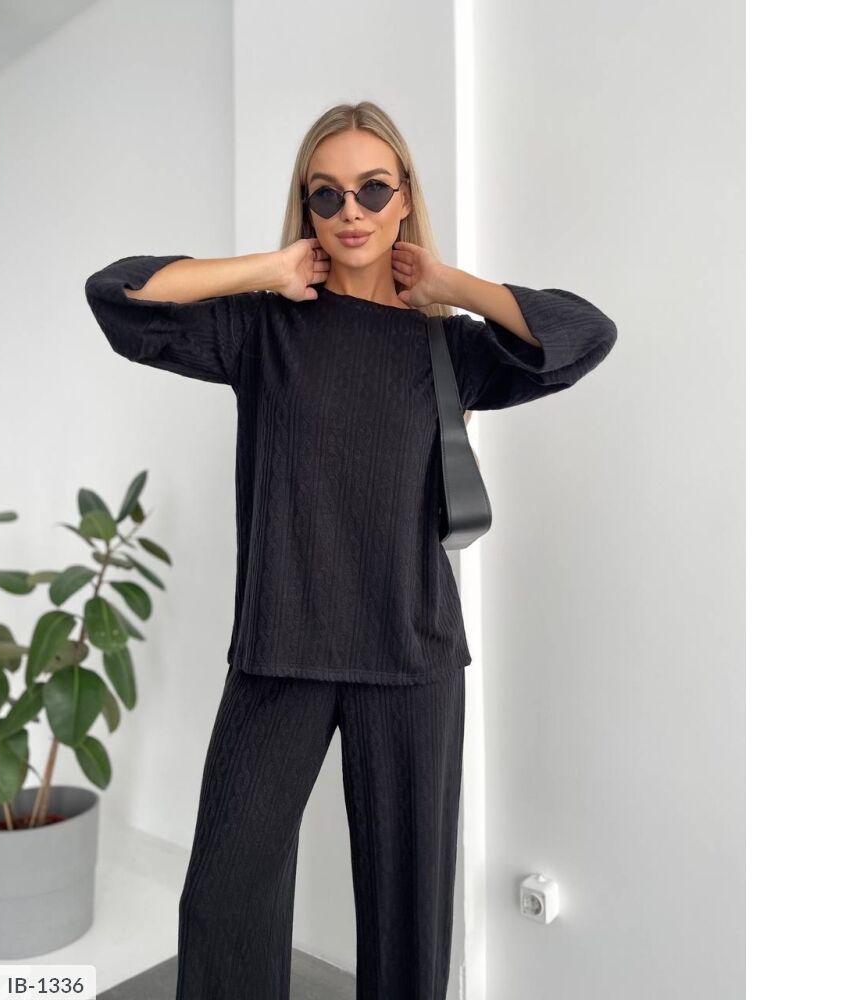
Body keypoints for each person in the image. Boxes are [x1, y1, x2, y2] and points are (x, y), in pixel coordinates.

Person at [84, 100, 617, 1000]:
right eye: (325, 194)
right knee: (223, 903)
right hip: (280, 648)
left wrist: (450, 285)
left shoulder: (448, 344)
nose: (351, 210)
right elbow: (118, 294)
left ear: (404, 196)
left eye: (373, 188)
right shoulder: (260, 327)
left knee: (408, 918)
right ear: (307, 206)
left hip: (410, 653)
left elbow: (583, 334)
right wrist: (269, 267)